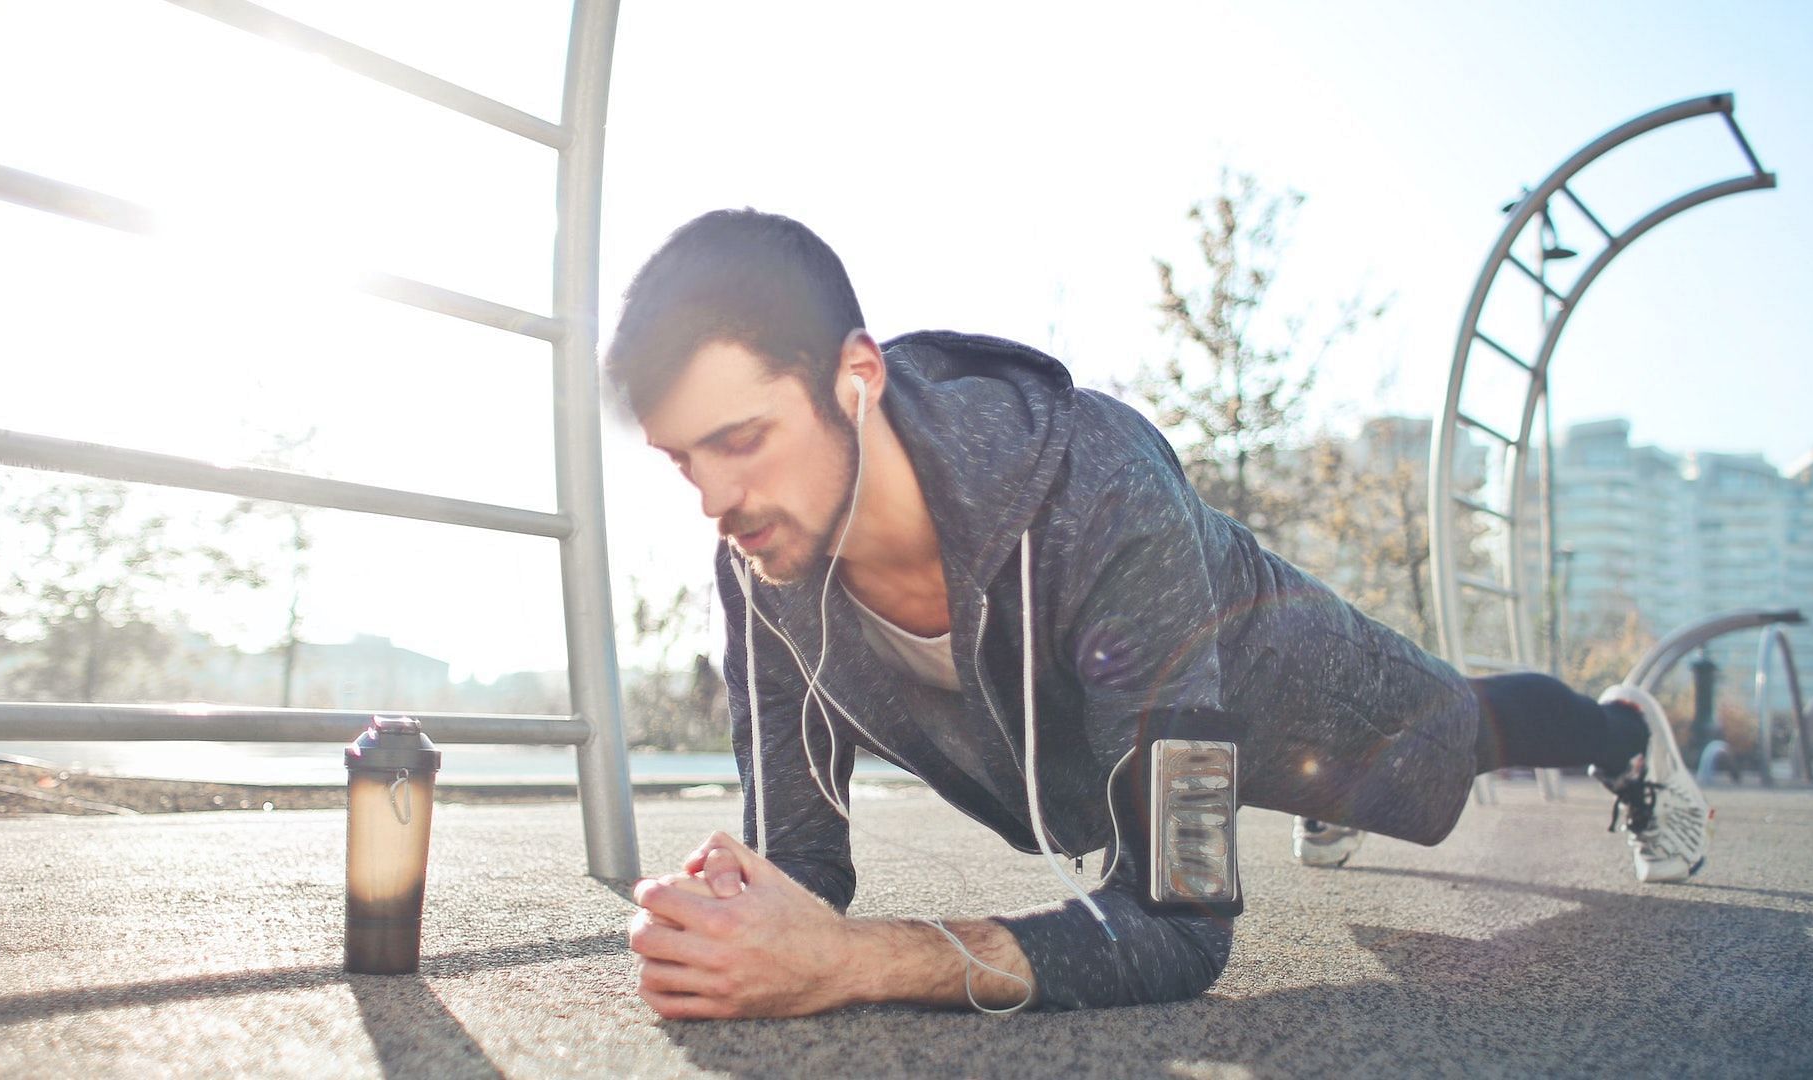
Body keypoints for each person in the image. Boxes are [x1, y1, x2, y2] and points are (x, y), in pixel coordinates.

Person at [604, 209, 1711, 1019]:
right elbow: (804, 862)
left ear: (857, 377)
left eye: (741, 440)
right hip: (1149, 742)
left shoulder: (1100, 486)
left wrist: (853, 962)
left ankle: (1626, 731)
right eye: (681, 460)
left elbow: (1178, 926)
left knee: (1457, 742)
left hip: (1296, 690)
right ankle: (1285, 791)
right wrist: (733, 920)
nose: (715, 500)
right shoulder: (764, 556)